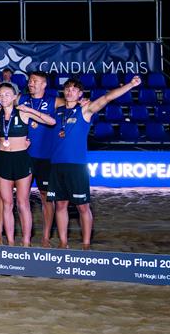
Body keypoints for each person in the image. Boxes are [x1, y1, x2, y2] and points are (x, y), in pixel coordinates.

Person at [50, 76, 141, 248]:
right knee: (60, 205)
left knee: (83, 207)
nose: (70, 92)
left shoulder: (85, 109)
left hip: (76, 166)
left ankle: (86, 244)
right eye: (67, 89)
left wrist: (130, 84)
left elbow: (107, 97)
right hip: (56, 164)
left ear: (80, 94)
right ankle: (63, 243)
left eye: (74, 89)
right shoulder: (57, 111)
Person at [0, 82, 55, 247]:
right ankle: (11, 242)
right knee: (7, 203)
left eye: (7, 94)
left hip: (21, 159)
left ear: (14, 97)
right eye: (1, 94)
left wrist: (31, 110)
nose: (3, 97)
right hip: (3, 160)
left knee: (22, 202)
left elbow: (51, 122)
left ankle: (26, 242)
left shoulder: (23, 112)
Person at [19, 71, 61, 247]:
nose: (31, 83)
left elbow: (74, 104)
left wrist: (82, 101)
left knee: (46, 198)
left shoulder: (54, 101)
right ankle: (26, 238)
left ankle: (45, 237)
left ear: (44, 84)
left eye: (35, 81)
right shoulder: (21, 99)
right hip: (24, 156)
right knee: (22, 198)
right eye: (30, 81)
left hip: (46, 158)